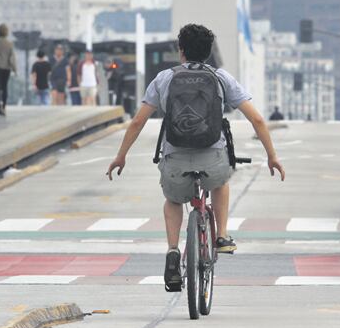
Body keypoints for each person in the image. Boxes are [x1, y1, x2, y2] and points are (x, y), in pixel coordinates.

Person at [107, 23, 285, 291]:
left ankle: (172, 251)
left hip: (175, 156)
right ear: (208, 52)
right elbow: (258, 119)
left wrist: (121, 156)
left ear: (181, 51)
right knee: (221, 182)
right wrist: (272, 156)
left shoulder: (164, 79)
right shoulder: (221, 78)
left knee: (173, 200)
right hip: (212, 156)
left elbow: (137, 123)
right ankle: (222, 235)